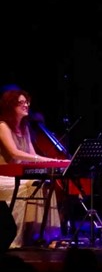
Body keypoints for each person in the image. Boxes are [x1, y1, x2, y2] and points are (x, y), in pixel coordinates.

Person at [0, 89, 69, 248]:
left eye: (27, 102)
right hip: (4, 177)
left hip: (19, 176)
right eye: (21, 103)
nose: (26, 105)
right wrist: (47, 160)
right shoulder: (2, 126)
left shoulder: (25, 128)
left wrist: (52, 162)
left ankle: (45, 235)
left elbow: (31, 155)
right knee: (27, 187)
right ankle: (16, 237)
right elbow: (15, 153)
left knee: (45, 183)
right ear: (10, 106)